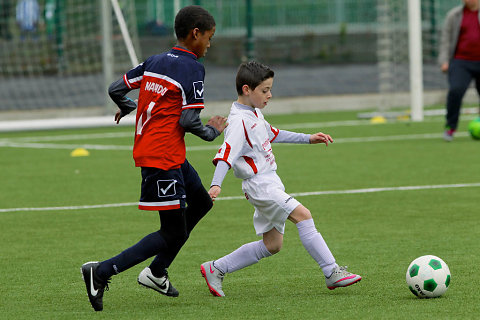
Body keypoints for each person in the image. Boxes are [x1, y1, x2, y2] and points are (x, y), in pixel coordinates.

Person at [81, 5, 227, 311]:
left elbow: (116, 88)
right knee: (172, 230)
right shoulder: (192, 68)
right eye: (209, 37)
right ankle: (101, 271)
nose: (209, 45)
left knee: (201, 203)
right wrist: (212, 132)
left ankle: (157, 272)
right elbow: (189, 121)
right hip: (161, 158)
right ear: (195, 34)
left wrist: (131, 105)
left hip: (168, 153)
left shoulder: (156, 60)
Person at [200, 61, 361, 297]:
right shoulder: (238, 122)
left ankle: (216, 268)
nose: (270, 95)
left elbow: (273, 133)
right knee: (303, 216)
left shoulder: (253, 113)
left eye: (269, 89)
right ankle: (331, 272)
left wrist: (308, 138)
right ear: (247, 90)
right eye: (264, 90)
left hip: (269, 182)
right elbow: (225, 155)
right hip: (260, 185)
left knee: (272, 245)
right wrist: (215, 185)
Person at [438, 0, 480, 142]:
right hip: (461, 61)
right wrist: (444, 60)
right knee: (456, 90)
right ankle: (450, 127)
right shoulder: (454, 15)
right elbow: (446, 39)